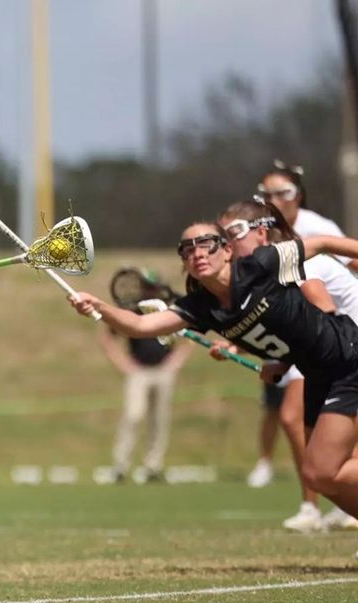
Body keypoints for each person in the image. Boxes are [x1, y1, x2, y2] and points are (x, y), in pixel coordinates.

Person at [68, 213, 358, 559]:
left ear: (226, 250)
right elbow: (141, 327)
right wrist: (100, 307)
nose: (197, 253)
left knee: (321, 468)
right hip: (318, 375)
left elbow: (323, 245)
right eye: (187, 249)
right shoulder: (202, 307)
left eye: (206, 243)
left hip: (348, 360)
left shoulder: (261, 264)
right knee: (320, 476)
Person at [216, 203, 358, 532]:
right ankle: (316, 506)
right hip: (334, 361)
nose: (226, 246)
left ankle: (313, 508)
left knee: (324, 459)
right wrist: (278, 360)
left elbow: (325, 317)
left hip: (347, 359)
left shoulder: (295, 264)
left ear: (261, 233)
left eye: (232, 235)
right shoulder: (267, 274)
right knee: (322, 467)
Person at [248, 160, 358, 490]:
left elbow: (323, 307)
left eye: (282, 192)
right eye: (266, 193)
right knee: (317, 449)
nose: (274, 198)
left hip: (341, 339)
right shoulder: (268, 260)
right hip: (322, 342)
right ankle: (320, 503)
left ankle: (318, 504)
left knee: (296, 422)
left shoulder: (309, 240)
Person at [99, 269, 193, 483]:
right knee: (133, 415)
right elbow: (108, 335)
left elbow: (190, 334)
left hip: (164, 370)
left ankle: (153, 467)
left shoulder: (169, 309)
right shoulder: (134, 309)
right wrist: (122, 363)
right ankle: (120, 466)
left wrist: (177, 360)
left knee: (159, 420)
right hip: (139, 371)